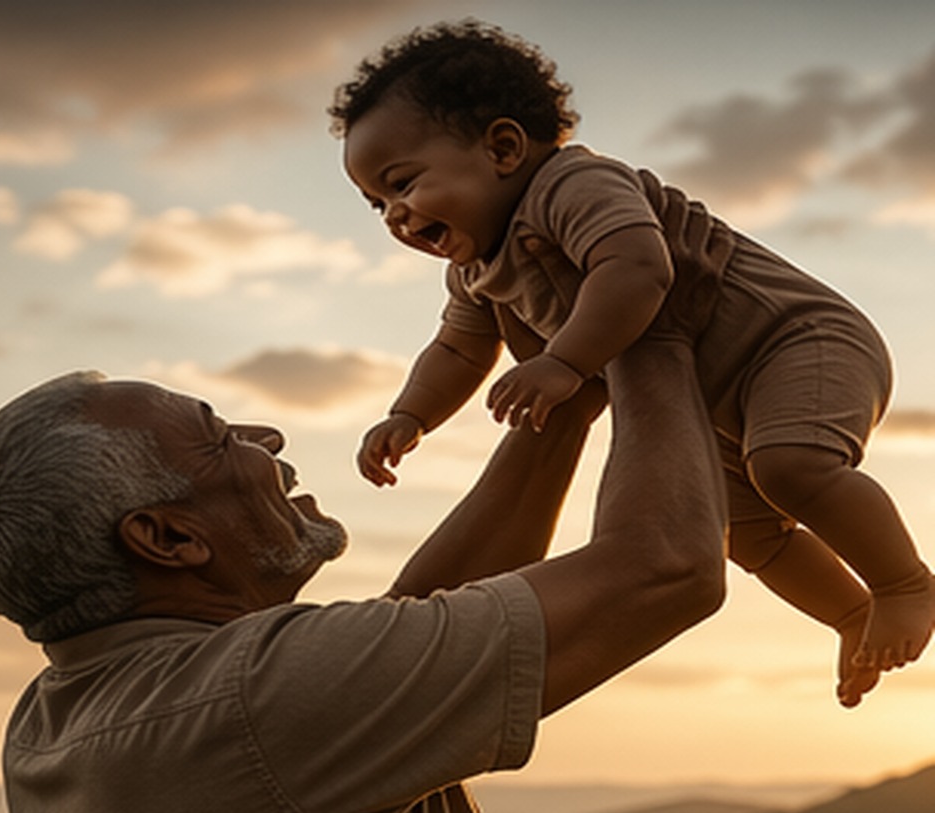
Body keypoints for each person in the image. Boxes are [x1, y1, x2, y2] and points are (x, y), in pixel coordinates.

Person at [0, 330, 725, 813]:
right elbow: (666, 567)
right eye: (218, 441)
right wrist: (652, 333)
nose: (265, 437)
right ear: (169, 538)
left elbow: (412, 630)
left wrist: (568, 394)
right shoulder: (257, 700)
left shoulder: (58, 722)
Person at [337, 20, 934, 708]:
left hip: (795, 341)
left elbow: (638, 268)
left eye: (403, 183)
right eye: (377, 203)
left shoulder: (574, 184)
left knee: (791, 468)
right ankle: (851, 615)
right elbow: (456, 349)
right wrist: (409, 415)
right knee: (744, 531)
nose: (393, 216)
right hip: (715, 405)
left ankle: (903, 582)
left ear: (502, 147)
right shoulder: (474, 272)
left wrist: (563, 362)